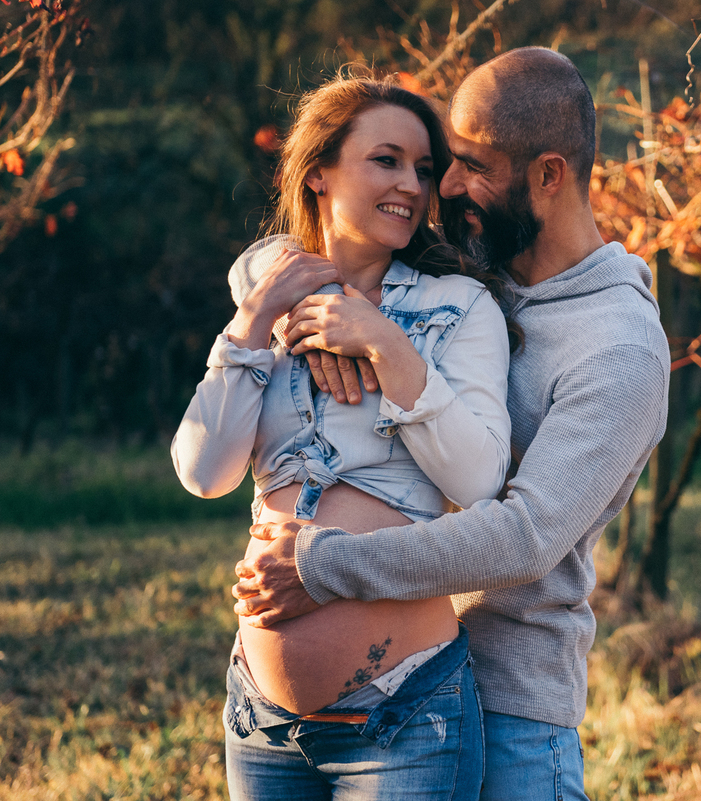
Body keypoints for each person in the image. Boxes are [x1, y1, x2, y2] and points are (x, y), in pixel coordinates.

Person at [232, 47, 671, 800]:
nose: (446, 187)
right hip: (346, 706)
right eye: (445, 164)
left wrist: (323, 566)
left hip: (511, 716)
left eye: (473, 166)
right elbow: (299, 241)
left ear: (549, 175)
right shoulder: (473, 271)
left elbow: (524, 536)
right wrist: (304, 310)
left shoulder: (619, 348)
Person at [171, 76, 513, 798]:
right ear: (318, 172)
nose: (411, 185)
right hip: (261, 721)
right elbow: (204, 470)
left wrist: (387, 347)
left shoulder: (459, 307)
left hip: (405, 716)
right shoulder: (267, 299)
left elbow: (480, 480)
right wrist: (257, 315)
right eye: (386, 160)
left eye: (423, 169)